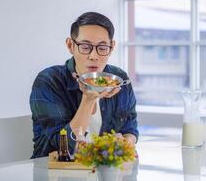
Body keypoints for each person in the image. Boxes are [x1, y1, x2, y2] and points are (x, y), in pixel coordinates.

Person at [30, 12, 138, 158]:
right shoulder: (49, 81)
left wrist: (125, 143)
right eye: (86, 47)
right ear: (70, 45)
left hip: (104, 170)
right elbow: (64, 146)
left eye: (102, 47)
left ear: (111, 47)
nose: (94, 56)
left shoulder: (119, 79)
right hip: (55, 172)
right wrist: (88, 100)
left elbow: (130, 128)